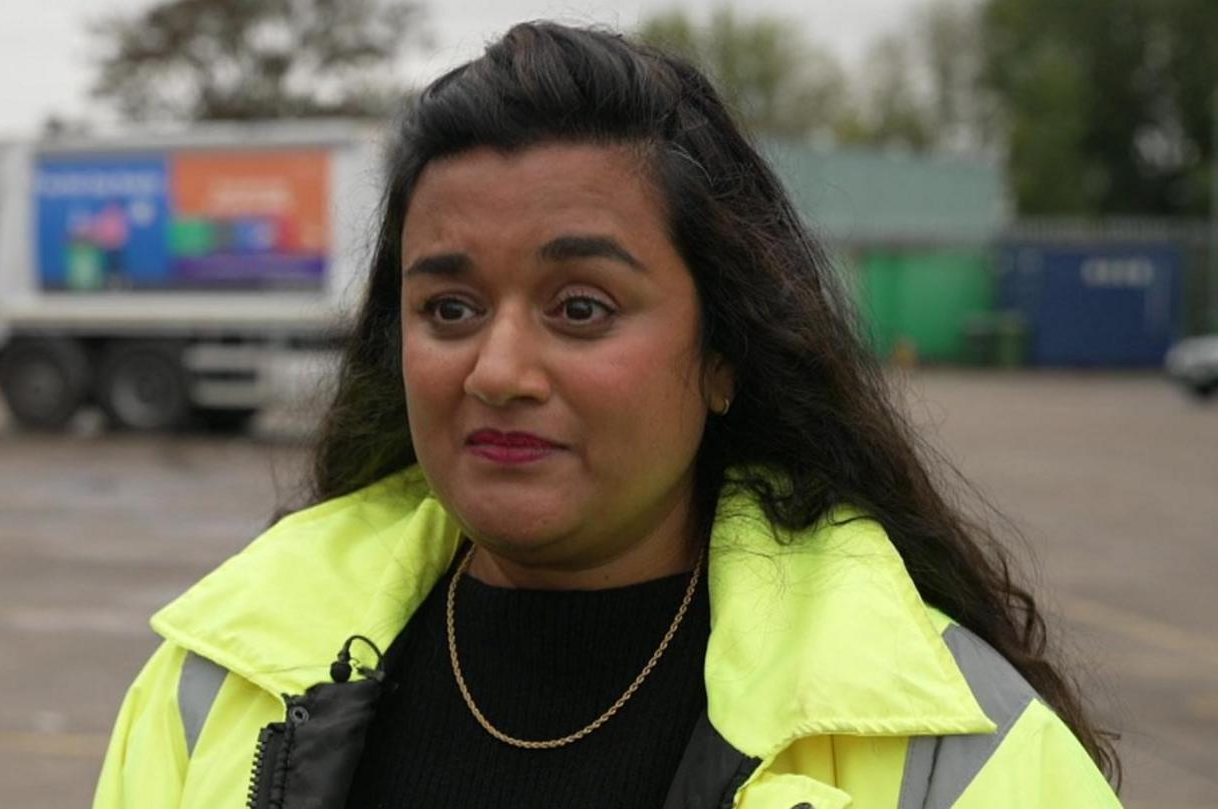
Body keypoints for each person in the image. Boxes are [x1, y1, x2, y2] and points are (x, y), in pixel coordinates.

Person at [93, 22, 1122, 809]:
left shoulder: (956, 750)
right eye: (448, 307)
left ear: (725, 353)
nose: (497, 369)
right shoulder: (217, 684)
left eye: (580, 308)